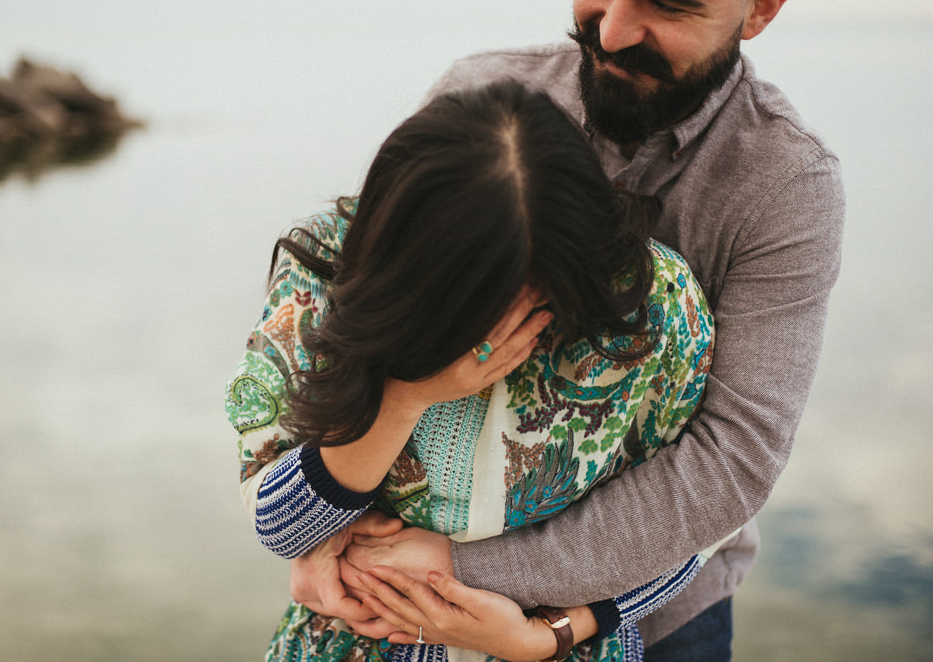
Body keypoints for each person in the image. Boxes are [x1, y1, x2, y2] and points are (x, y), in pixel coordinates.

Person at [291, 0, 845, 659]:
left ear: (759, 9)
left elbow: (733, 457)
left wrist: (474, 577)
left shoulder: (785, 181)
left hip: (658, 609)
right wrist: (320, 537)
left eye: (667, 3)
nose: (610, 30)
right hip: (394, 598)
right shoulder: (473, 96)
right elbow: (370, 316)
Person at [226, 80, 717, 661]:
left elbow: (688, 527)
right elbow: (280, 526)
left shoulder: (655, 309)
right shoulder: (328, 271)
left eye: (540, 296)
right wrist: (406, 398)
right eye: (477, 300)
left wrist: (557, 631)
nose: (506, 324)